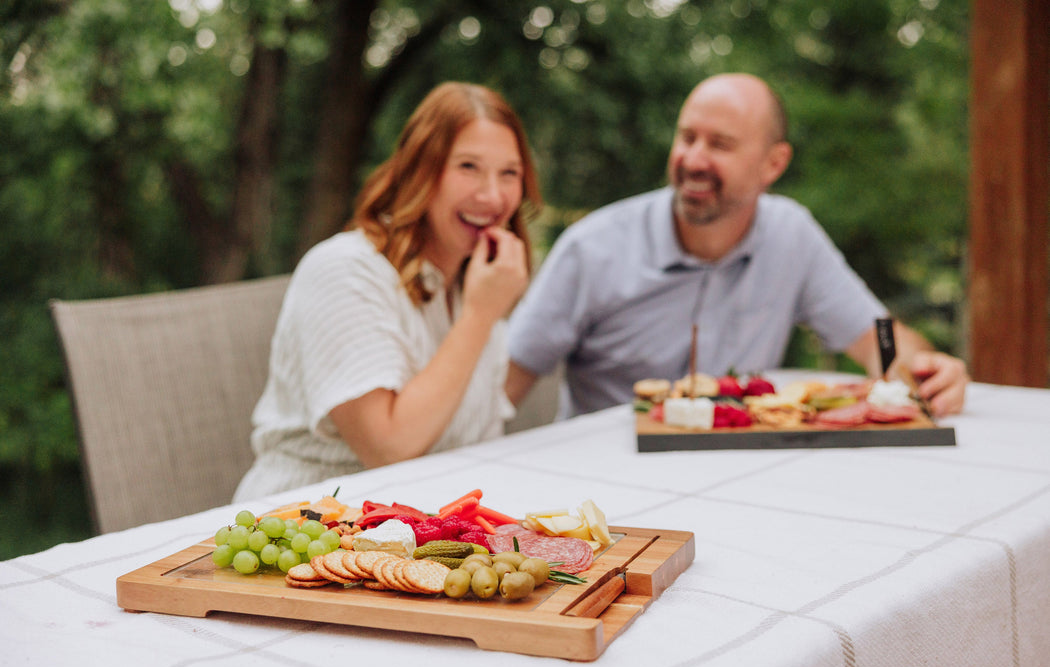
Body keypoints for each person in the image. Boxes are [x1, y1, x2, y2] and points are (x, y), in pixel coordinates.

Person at [506, 72, 968, 419]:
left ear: (773, 163)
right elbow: (502, 388)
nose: (693, 159)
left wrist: (925, 370)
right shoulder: (591, 248)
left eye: (720, 144)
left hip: (740, 476)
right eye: (686, 137)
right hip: (610, 492)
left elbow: (878, 341)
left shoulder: (792, 234)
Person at [234, 82, 541, 500]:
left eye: (509, 173)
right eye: (468, 167)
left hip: (427, 531)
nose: (492, 195)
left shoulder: (476, 283)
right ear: (421, 170)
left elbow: (479, 443)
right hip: (312, 524)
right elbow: (389, 447)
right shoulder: (344, 271)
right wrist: (480, 315)